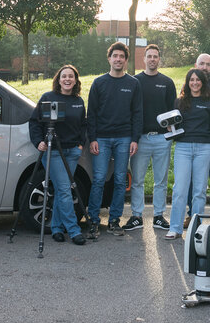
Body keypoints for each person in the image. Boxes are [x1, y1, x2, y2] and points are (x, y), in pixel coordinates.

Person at [87, 41, 142, 237]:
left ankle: (114, 221)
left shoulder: (133, 83)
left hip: (124, 138)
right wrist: (92, 138)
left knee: (120, 180)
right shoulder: (99, 83)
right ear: (109, 58)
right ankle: (93, 220)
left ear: (126, 60)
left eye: (121, 56)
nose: (118, 59)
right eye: (115, 56)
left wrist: (134, 139)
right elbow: (91, 113)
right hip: (101, 138)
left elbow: (137, 113)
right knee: (99, 179)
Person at [29, 65, 89, 245]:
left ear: (75, 80)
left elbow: (83, 125)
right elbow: (34, 122)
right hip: (53, 152)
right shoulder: (48, 98)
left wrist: (81, 144)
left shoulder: (78, 101)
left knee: (62, 189)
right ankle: (74, 229)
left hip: (72, 151)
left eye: (71, 76)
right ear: (59, 79)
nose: (67, 79)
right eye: (64, 76)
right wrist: (38, 141)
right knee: (64, 189)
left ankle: (56, 228)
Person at [124, 44, 176, 232]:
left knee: (160, 180)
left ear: (158, 59)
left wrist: (170, 134)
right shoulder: (134, 81)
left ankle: (158, 216)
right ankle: (137, 216)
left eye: (155, 56)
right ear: (144, 59)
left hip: (162, 139)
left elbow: (173, 110)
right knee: (137, 180)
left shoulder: (167, 82)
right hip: (141, 139)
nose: (152, 59)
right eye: (149, 56)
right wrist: (133, 138)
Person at [167, 69, 210, 239]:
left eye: (198, 80)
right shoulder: (180, 102)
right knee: (179, 189)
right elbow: (174, 126)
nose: (195, 83)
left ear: (203, 82)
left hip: (203, 149)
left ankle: (195, 229)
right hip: (183, 148)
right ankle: (175, 228)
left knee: (199, 191)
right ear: (187, 82)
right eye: (192, 80)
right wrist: (170, 127)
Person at [185, 53, 210, 227]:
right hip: (194, 141)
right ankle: (191, 214)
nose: (204, 67)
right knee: (192, 180)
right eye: (201, 64)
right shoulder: (188, 85)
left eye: (208, 64)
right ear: (195, 65)